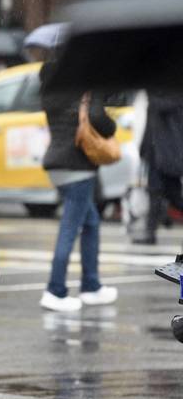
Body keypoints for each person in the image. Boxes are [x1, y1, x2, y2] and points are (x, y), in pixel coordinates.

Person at [38, 60, 118, 311]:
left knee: (91, 222)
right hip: (77, 167)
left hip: (56, 165)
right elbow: (97, 118)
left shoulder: (50, 91)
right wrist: (111, 123)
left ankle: (91, 285)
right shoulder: (83, 89)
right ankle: (55, 290)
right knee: (70, 228)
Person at [132, 91, 183, 245]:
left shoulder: (172, 96)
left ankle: (150, 232)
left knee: (172, 195)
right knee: (154, 191)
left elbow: (164, 107)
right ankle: (150, 232)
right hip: (155, 153)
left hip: (169, 153)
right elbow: (150, 127)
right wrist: (143, 149)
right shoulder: (154, 99)